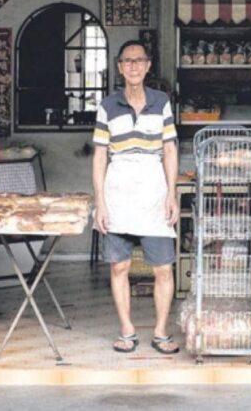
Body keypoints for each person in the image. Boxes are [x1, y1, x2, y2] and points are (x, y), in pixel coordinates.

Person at [92, 40, 180, 354]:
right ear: (119, 66)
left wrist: (171, 195)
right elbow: (100, 156)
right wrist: (100, 202)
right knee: (119, 266)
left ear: (147, 66)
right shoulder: (108, 106)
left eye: (139, 60)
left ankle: (160, 332)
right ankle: (127, 330)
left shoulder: (161, 102)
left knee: (163, 268)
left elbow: (169, 150)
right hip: (118, 190)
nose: (133, 66)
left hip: (153, 190)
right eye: (127, 61)